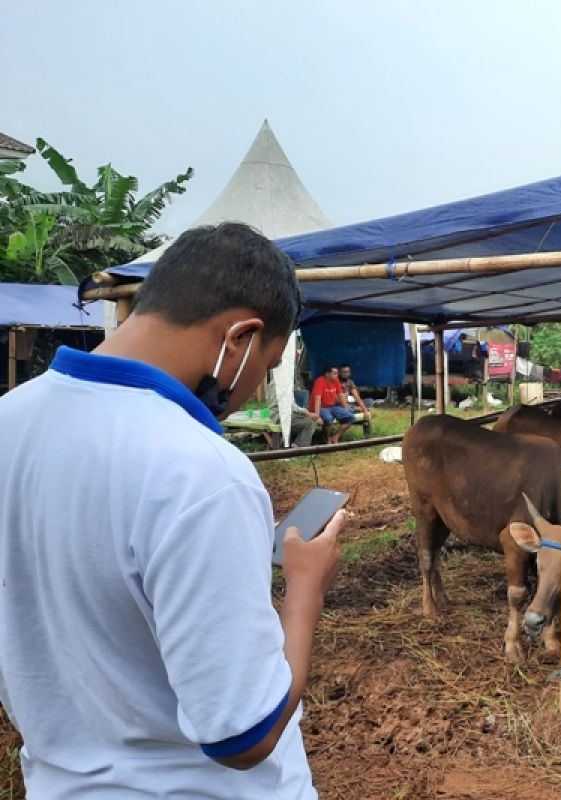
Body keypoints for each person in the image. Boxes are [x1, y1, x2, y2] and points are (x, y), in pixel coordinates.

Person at [0, 222, 343, 798]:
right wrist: (306, 587)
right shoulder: (200, 471)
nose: (254, 388)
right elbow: (244, 735)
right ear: (240, 337)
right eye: (269, 362)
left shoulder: (9, 419)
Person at [309, 364, 354, 443]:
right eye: (335, 373)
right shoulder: (320, 381)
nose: (337, 375)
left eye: (337, 373)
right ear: (327, 374)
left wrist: (346, 408)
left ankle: (335, 436)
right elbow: (317, 399)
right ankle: (327, 439)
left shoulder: (336, 381)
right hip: (321, 407)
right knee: (328, 419)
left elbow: (341, 395)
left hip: (332, 407)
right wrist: (317, 416)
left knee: (350, 417)